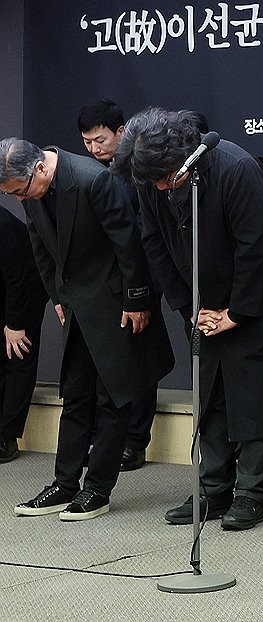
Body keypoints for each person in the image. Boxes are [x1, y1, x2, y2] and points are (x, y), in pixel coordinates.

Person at [116, 108, 263, 531]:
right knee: (210, 396)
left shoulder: (234, 168)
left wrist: (236, 312)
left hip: (257, 297)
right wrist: (188, 306)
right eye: (154, 182)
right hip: (201, 303)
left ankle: (251, 491)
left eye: (169, 178)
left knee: (259, 395)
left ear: (185, 154)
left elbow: (256, 248)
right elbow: (154, 243)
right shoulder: (151, 178)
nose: (163, 187)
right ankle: (212, 489)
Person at [2, 138, 173, 521]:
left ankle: (97, 489)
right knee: (76, 396)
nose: (19, 200)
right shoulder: (31, 192)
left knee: (113, 397)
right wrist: (57, 297)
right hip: (76, 304)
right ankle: (64, 484)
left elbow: (129, 242)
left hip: (116, 304)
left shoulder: (94, 179)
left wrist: (137, 299)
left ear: (40, 170)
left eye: (19, 191)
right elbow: (40, 247)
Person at [77, 99, 157, 472]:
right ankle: (109, 437)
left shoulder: (139, 171)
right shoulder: (91, 173)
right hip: (105, 285)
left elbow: (145, 232)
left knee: (137, 361)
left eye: (100, 139)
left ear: (121, 132)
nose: (94, 149)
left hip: (142, 278)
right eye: (87, 142)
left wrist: (137, 286)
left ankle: (135, 441)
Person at [0, 205, 49, 463]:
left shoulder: (3, 225)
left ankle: (7, 438)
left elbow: (16, 277)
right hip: (5, 287)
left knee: (18, 355)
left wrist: (16, 325)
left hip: (26, 287)